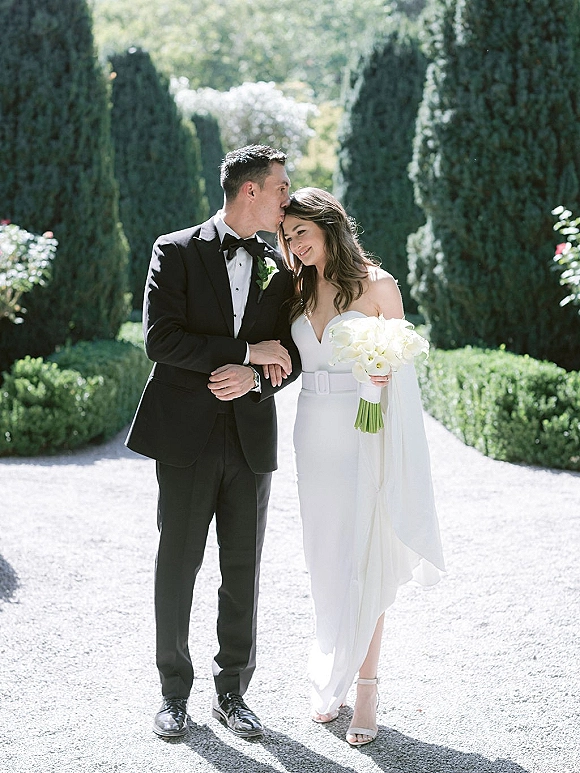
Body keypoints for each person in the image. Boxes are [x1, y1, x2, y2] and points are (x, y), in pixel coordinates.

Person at [126, 145, 301, 740]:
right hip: (185, 438)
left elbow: (293, 353)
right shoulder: (174, 251)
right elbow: (161, 340)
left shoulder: (283, 261)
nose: (288, 198)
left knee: (243, 569)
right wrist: (244, 353)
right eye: (281, 188)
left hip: (251, 435)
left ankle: (234, 693)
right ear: (250, 190)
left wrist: (255, 375)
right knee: (177, 565)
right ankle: (173, 693)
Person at [279, 188, 445, 747]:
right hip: (311, 434)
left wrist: (380, 383)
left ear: (329, 226)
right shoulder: (296, 287)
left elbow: (402, 374)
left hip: (363, 434)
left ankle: (367, 687)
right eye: (288, 235)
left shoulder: (377, 285)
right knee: (324, 558)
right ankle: (335, 676)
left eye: (302, 232)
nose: (294, 244)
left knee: (363, 556)